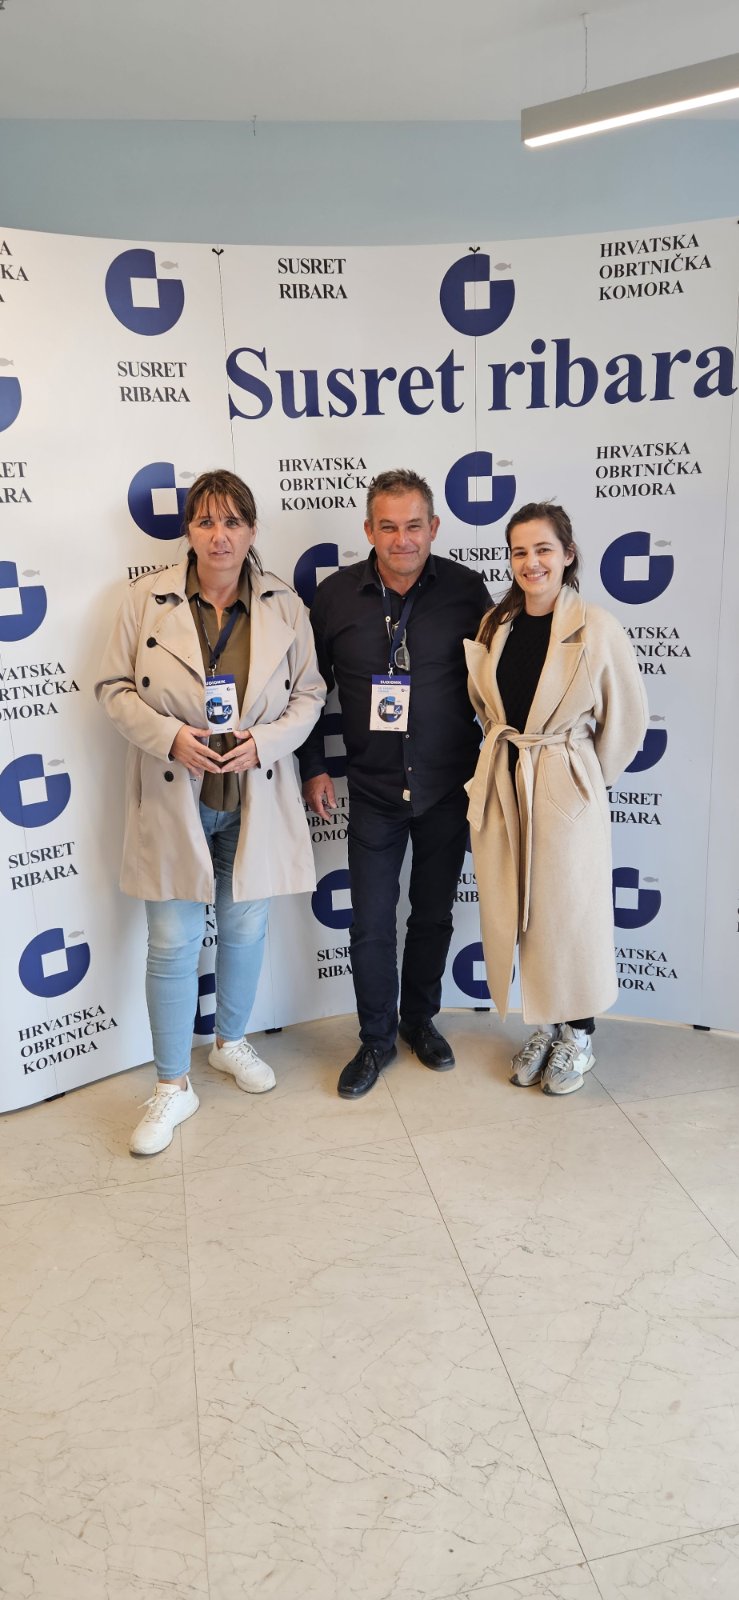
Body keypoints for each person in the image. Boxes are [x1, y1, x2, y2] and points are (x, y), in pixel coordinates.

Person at [96, 469, 325, 1153]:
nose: (219, 536)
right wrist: (170, 736)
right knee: (172, 942)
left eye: (232, 522)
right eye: (205, 521)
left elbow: (310, 694)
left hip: (254, 796)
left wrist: (265, 742)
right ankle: (171, 1085)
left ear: (251, 530)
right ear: (188, 531)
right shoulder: (145, 600)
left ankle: (229, 1042)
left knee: (244, 928)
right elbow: (112, 687)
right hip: (176, 796)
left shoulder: (285, 604)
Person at [299, 468, 491, 1099]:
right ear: (368, 530)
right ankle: (376, 1040)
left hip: (448, 787)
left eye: (413, 526)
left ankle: (420, 1022)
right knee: (372, 925)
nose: (402, 539)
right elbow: (307, 692)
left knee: (433, 916)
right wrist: (314, 765)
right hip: (374, 792)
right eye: (388, 527)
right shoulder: (335, 597)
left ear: (433, 527)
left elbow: (497, 683)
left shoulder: (467, 591)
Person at [465, 501, 647, 1095]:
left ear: (568, 554)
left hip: (564, 784)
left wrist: (583, 776)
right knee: (519, 908)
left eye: (543, 549)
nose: (531, 562)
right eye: (519, 551)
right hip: (508, 777)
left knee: (569, 911)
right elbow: (484, 703)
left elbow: (627, 721)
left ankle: (580, 1035)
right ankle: (544, 1025)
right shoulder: (496, 625)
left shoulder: (597, 627)